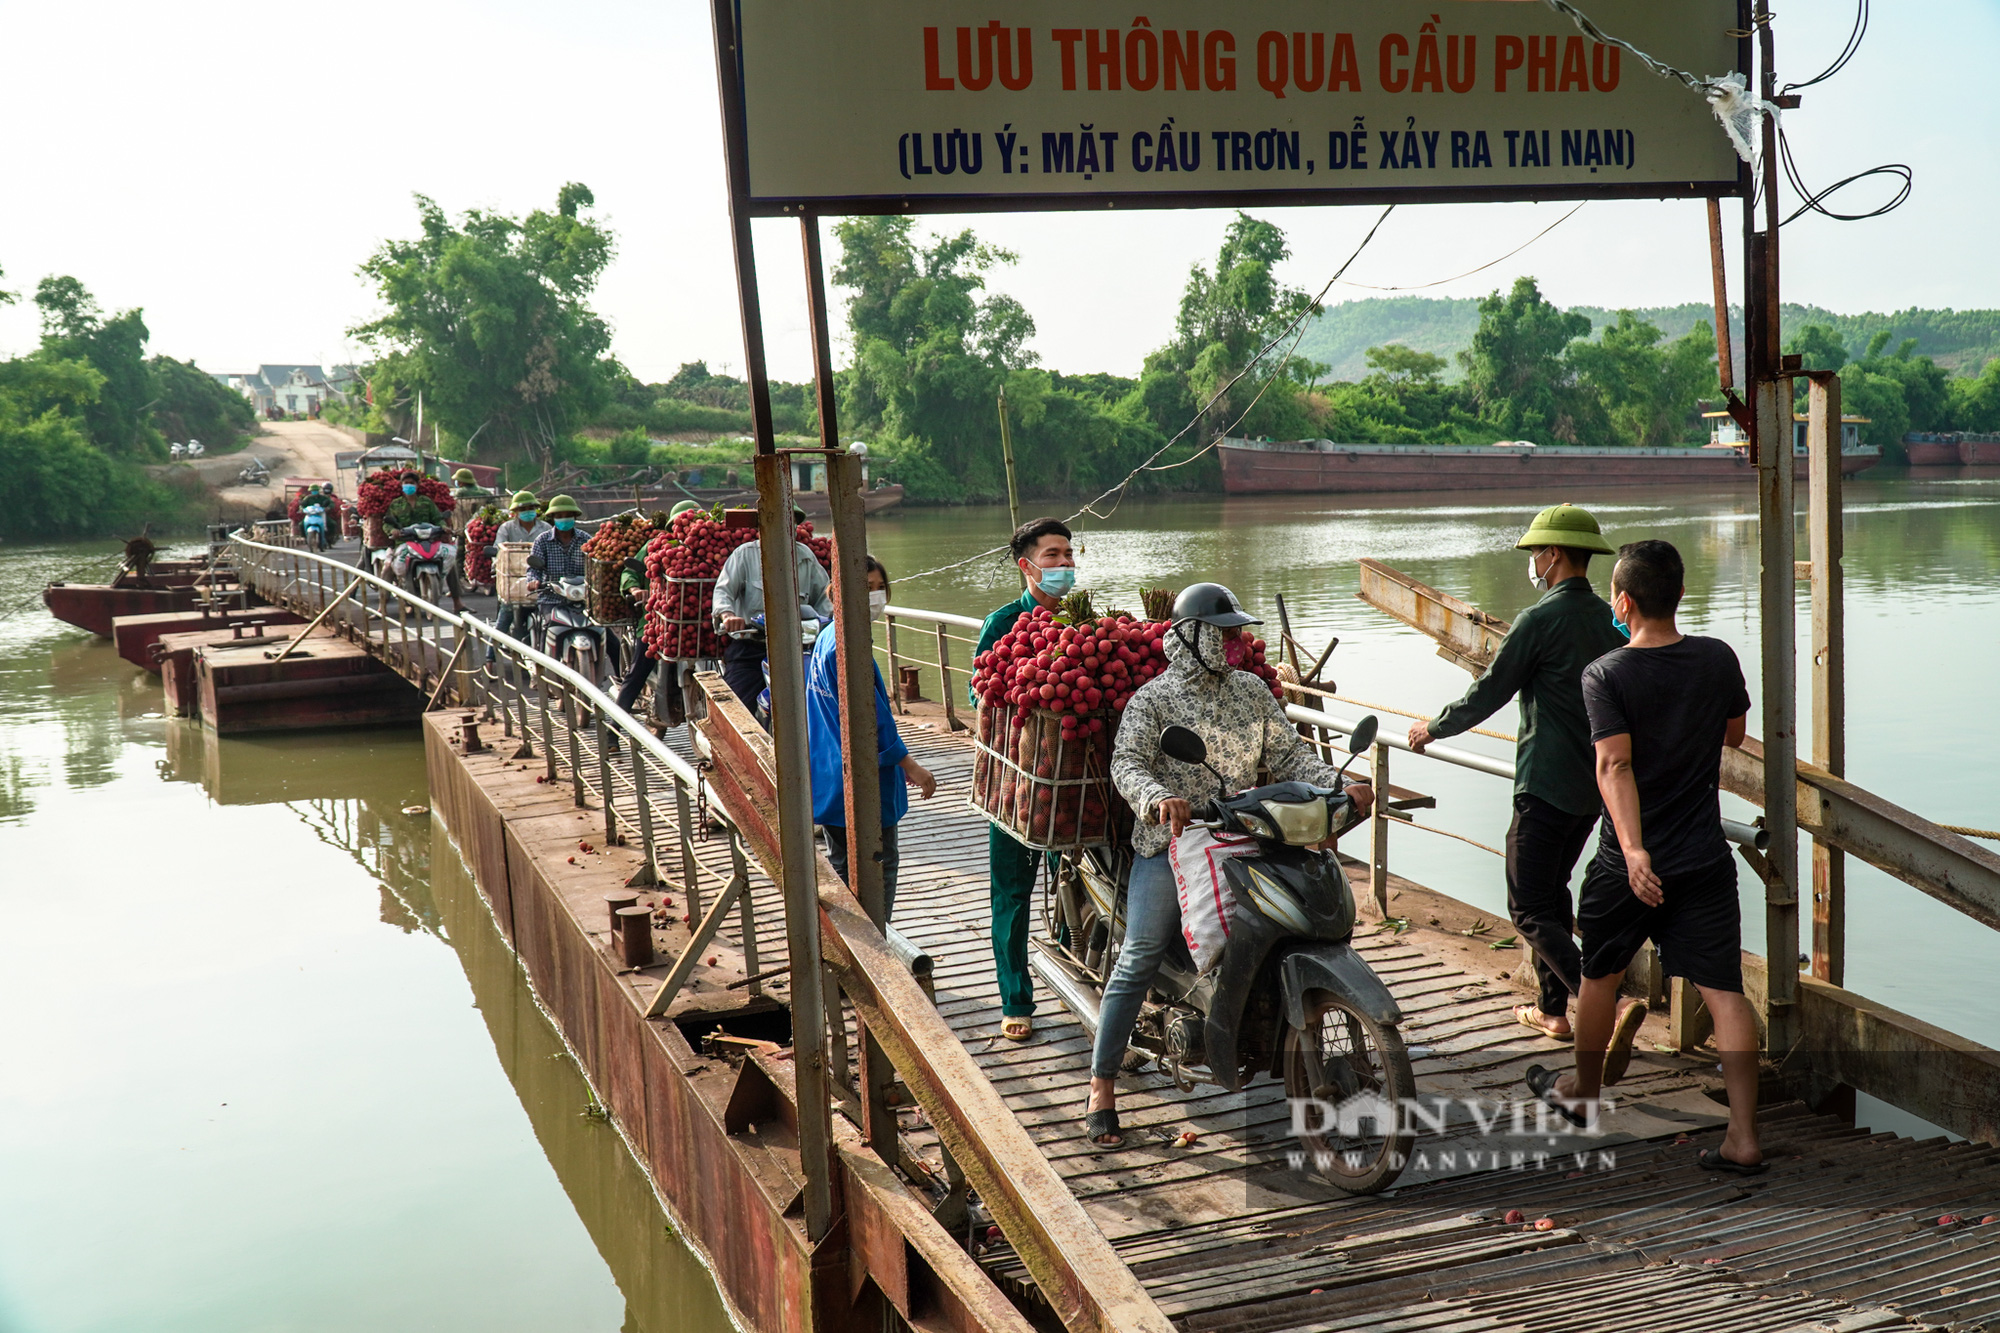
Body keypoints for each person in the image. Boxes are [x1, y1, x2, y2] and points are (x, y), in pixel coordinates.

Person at [1086, 583, 1374, 1147]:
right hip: (1171, 837)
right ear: (1194, 637)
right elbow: (1127, 763)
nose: (1238, 642)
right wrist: (1156, 798)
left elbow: (1289, 754)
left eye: (1239, 633)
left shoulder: (1249, 691)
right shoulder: (1153, 700)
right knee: (1141, 951)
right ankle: (1101, 1086)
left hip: (1246, 830)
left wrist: (1339, 783)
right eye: (1226, 634)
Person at [1527, 540, 1760, 1173]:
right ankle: (1743, 1136)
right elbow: (1734, 734)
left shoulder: (1606, 674)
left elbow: (1614, 763)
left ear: (1623, 601)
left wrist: (1633, 852)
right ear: (1680, 595)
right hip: (1704, 857)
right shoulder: (1717, 658)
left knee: (1600, 976)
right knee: (1725, 994)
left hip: (1628, 864)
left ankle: (1584, 1093)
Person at [1409, 503, 1641, 1052]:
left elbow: (1491, 689)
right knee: (1552, 892)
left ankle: (1610, 1000)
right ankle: (1551, 1011)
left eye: (1537, 553)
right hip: (1594, 789)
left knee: (1527, 906)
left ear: (1554, 555)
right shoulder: (1611, 621)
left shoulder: (1539, 620)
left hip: (1543, 785)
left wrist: (1434, 728)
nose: (1534, 562)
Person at [971, 517, 1077, 1041]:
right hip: (1015, 785)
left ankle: (1074, 976)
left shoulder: (1086, 622)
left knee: (1075, 885)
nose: (1064, 565)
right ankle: (1016, 1000)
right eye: (1053, 556)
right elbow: (980, 696)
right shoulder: (1003, 623)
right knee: (1012, 894)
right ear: (1027, 565)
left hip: (1074, 787)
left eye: (1068, 555)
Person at [805, 557, 936, 919]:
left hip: (831, 775)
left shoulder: (828, 635)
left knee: (843, 862)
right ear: (836, 594)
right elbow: (872, 722)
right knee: (877, 866)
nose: (876, 597)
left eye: (880, 588)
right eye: (865, 589)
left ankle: (850, 939)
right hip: (859, 781)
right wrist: (910, 764)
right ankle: (873, 946)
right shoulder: (847, 646)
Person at [710, 508, 832, 715]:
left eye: (789, 522)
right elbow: (724, 591)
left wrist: (828, 622)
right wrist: (728, 615)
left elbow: (824, 596)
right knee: (736, 711)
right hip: (751, 646)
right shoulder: (744, 554)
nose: (784, 528)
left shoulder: (805, 557)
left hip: (798, 647)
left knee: (823, 696)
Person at [382, 470, 464, 613]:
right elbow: (387, 523)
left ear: (417, 485)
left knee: (451, 566)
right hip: (403, 543)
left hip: (428, 541)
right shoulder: (396, 504)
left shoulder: (426, 502)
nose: (409, 486)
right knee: (387, 568)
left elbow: (438, 518)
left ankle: (457, 603)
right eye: (406, 483)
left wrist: (444, 527)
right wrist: (392, 531)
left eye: (412, 483)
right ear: (401, 485)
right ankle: (381, 607)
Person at [526, 495, 589, 654]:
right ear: (553, 518)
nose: (564, 519)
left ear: (574, 517)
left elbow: (595, 566)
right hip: (552, 597)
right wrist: (534, 581)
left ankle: (621, 675)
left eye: (567, 516)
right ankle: (540, 669)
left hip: (582, 598)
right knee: (546, 630)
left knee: (606, 634)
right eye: (559, 516)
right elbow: (534, 568)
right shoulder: (543, 540)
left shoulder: (586, 539)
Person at [489, 492, 549, 655]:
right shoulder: (507, 528)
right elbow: (500, 550)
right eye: (523, 509)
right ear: (516, 512)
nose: (528, 512)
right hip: (513, 578)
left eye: (531, 508)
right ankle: (490, 657)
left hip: (538, 579)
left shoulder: (546, 528)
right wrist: (496, 563)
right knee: (506, 612)